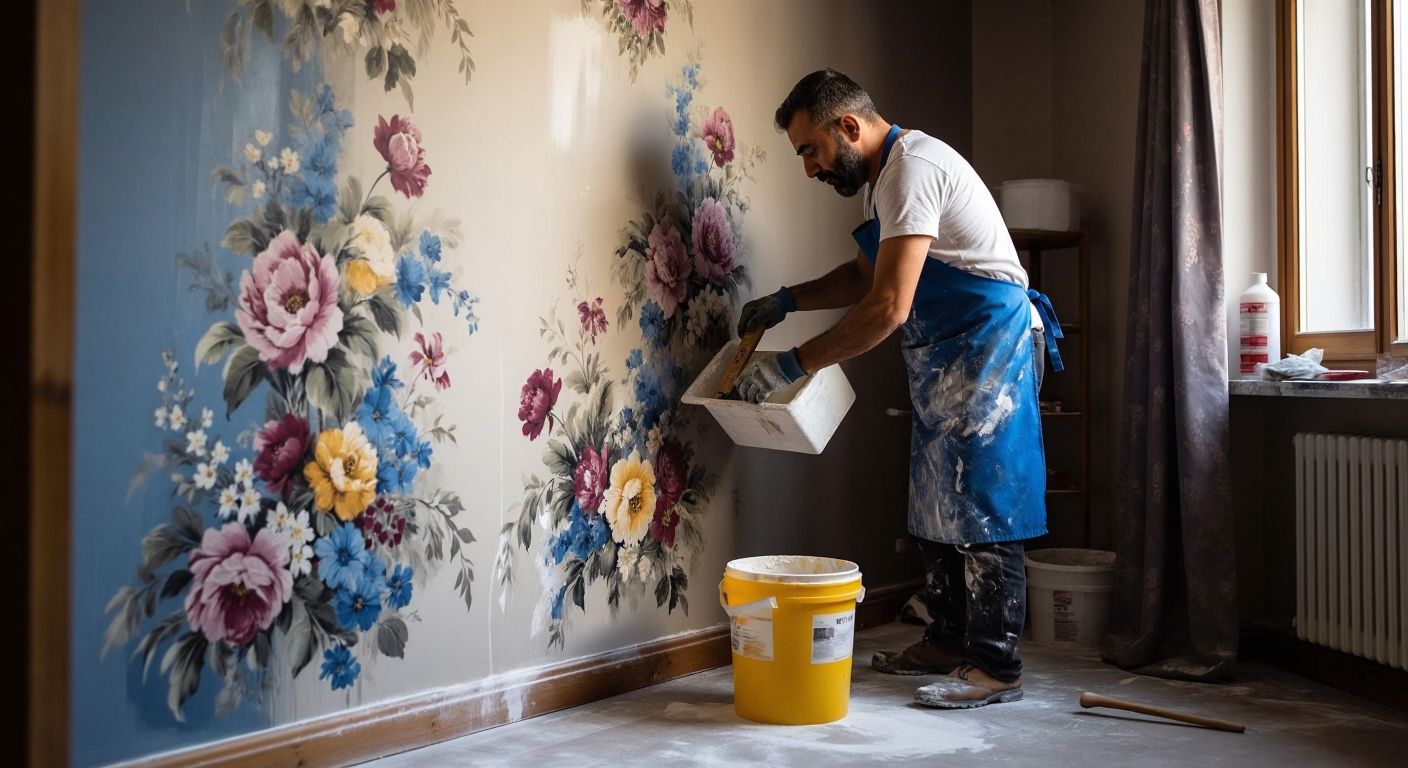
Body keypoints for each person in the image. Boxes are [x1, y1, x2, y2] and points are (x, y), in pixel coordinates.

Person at [734, 69, 1063, 709]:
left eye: (810, 149)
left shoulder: (913, 170)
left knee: (984, 503)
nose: (808, 167)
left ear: (847, 126)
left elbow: (887, 306)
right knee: (936, 499)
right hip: (947, 351)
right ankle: (947, 639)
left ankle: (996, 667)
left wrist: (793, 365)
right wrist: (789, 299)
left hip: (989, 342)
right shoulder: (883, 181)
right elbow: (866, 277)